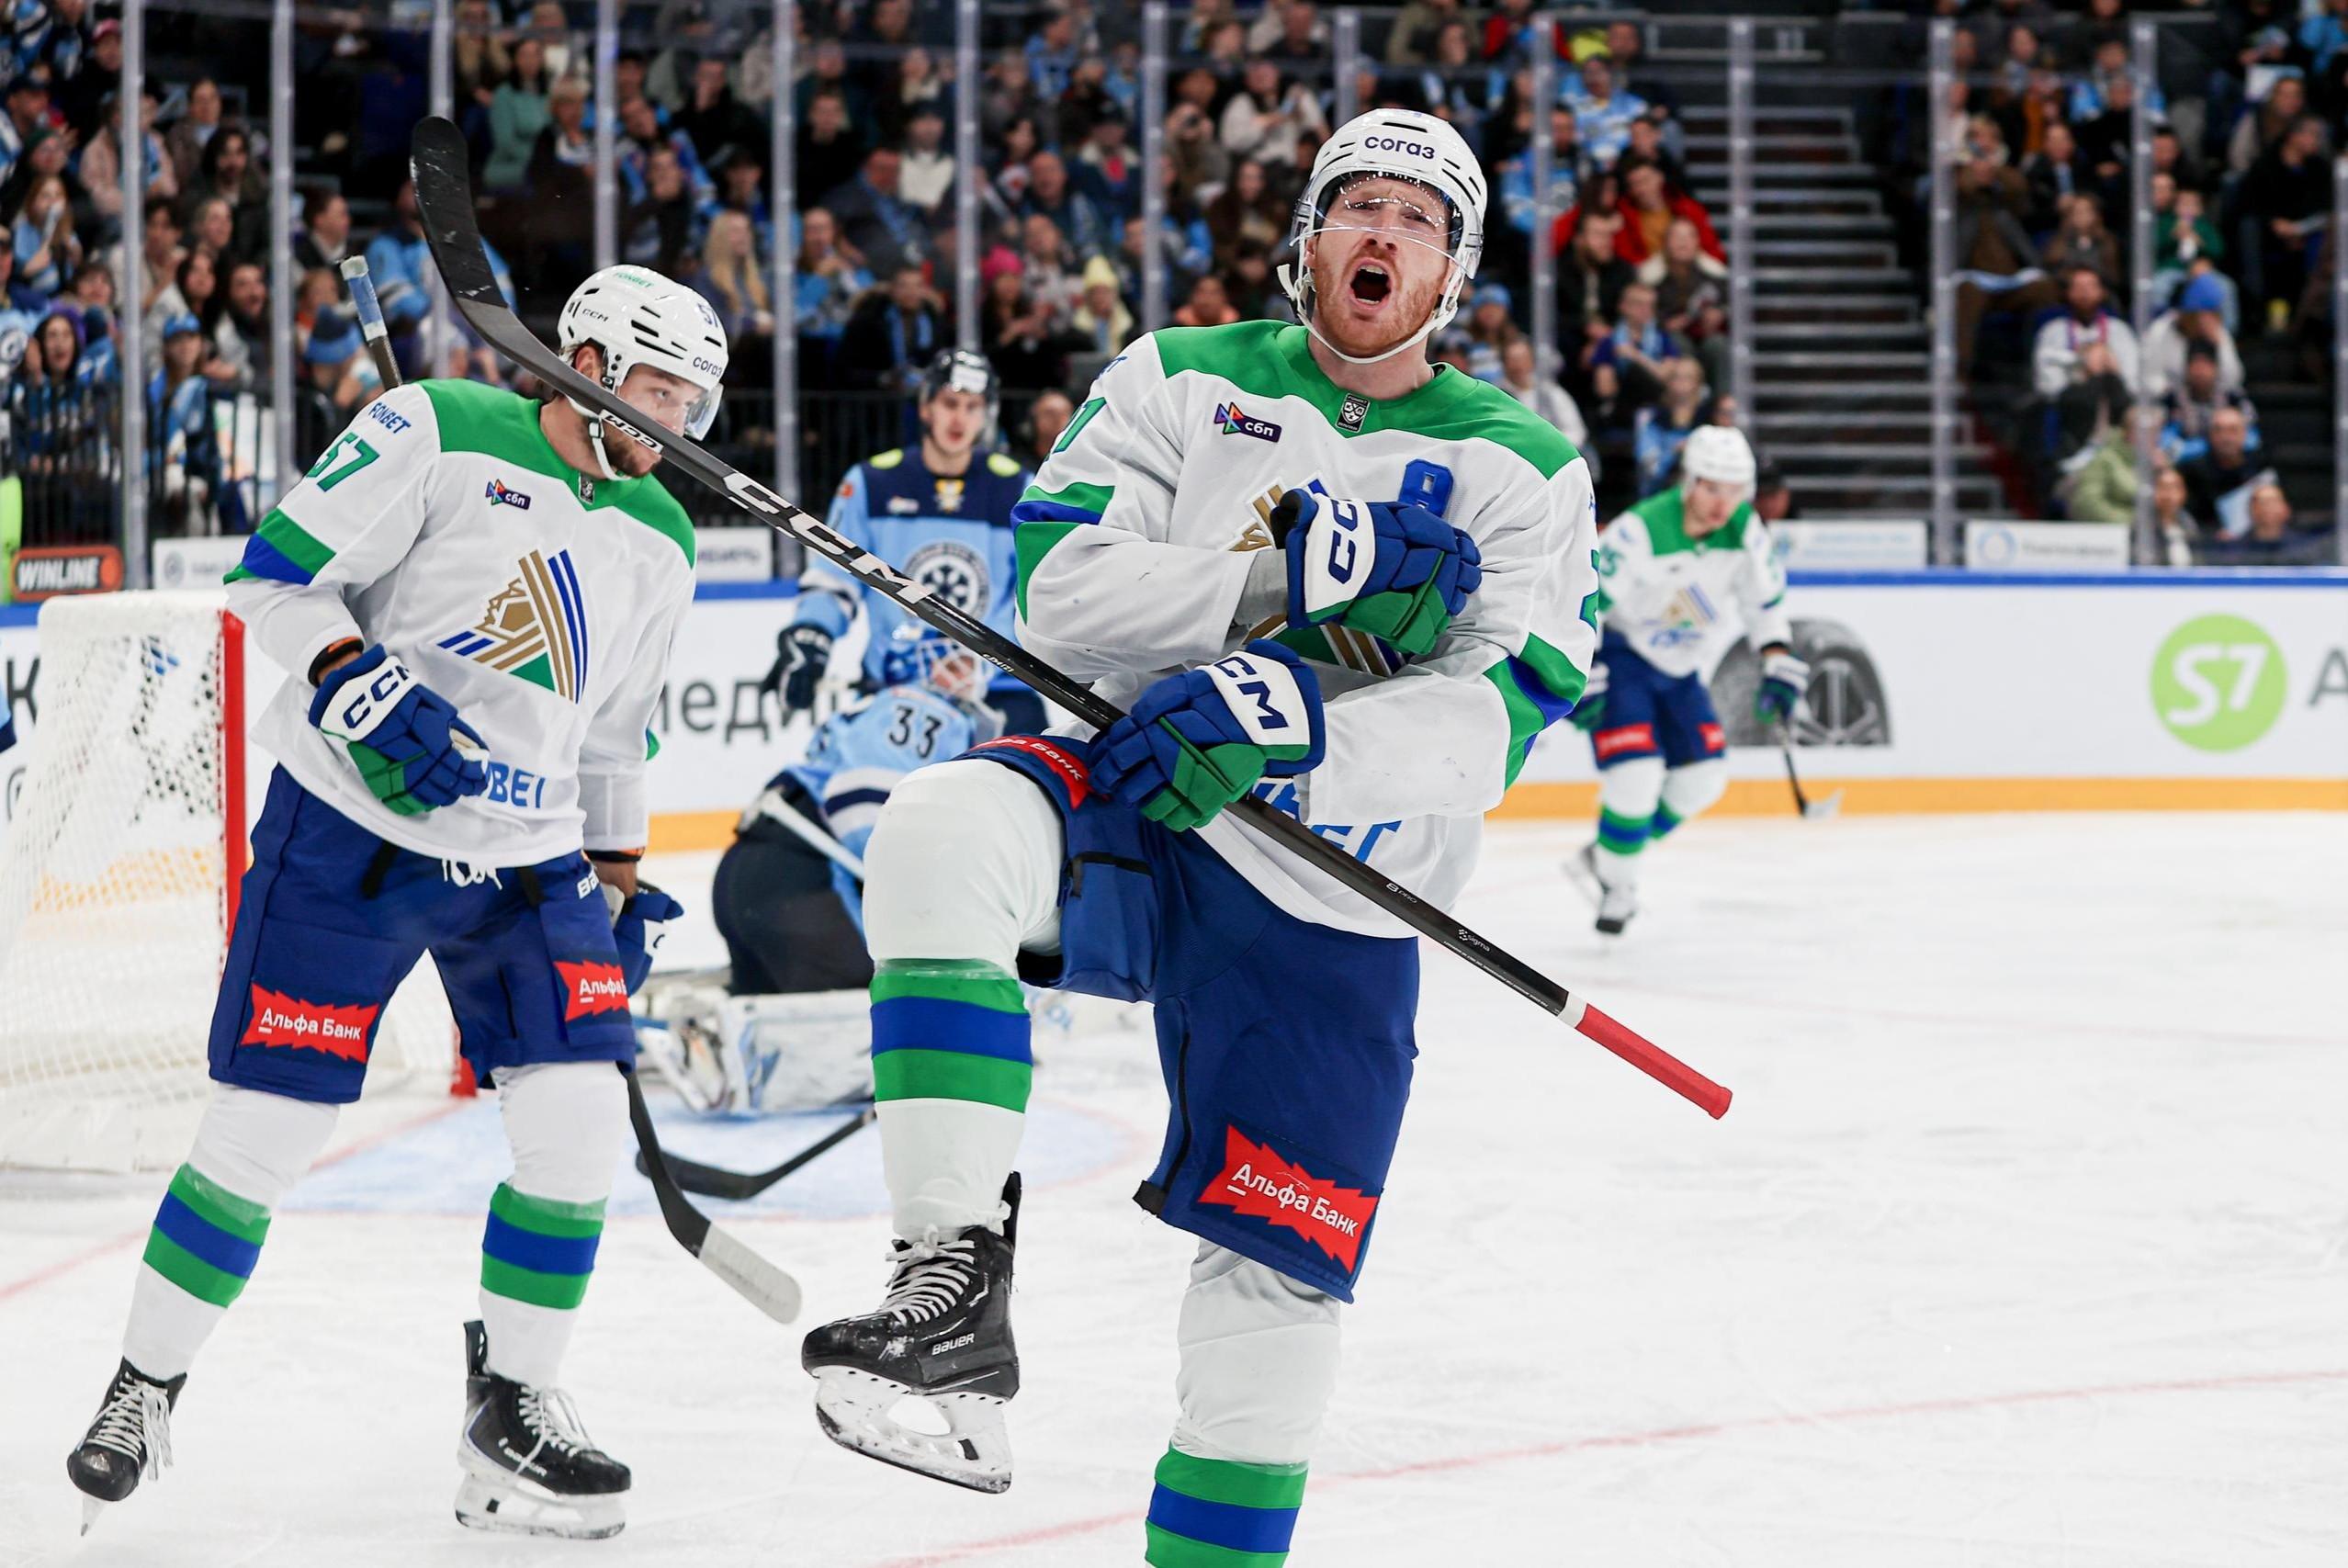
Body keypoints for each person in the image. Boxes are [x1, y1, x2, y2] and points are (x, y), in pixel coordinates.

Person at [797, 108, 1596, 1568]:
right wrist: (1272, 592)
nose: (1381, 232)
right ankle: (950, 1286)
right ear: (1308, 237)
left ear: (1454, 270)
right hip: (1144, 793)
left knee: (1272, 1301)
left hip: (1346, 894)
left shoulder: (1525, 463)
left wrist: (1287, 717)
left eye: (1418, 218)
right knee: (942, 827)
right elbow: (1057, 583)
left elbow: (1499, 719)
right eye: (1356, 203)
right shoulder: (1181, 373)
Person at [63, 265, 728, 1542]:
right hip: (350, 838)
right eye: (658, 391)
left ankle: (512, 1410)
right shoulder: (437, 425)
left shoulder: (663, 532)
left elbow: (614, 737)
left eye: (693, 403)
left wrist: (618, 881)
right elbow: (273, 578)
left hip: (529, 865)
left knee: (580, 1125)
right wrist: (355, 681)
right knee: (265, 1132)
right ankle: (145, 1383)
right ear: (586, 362)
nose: (675, 424)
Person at [1568, 425, 1796, 937]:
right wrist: (1583, 667)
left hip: (1681, 671)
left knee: (1703, 779)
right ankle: (1618, 885)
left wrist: (1777, 655)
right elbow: (1589, 597)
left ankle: (1610, 854)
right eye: (1712, 488)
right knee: (1636, 775)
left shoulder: (1745, 530)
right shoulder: (1641, 529)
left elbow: (1764, 601)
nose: (1723, 503)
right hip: (1623, 659)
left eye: (1735, 491)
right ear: (1690, 481)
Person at [765, 348, 1043, 732]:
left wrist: (982, 658)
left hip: (999, 690)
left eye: (972, 406)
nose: (959, 418)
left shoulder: (1016, 488)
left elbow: (1034, 594)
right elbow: (835, 576)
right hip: (896, 688)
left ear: (986, 414)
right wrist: (814, 633)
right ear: (926, 407)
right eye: (949, 403)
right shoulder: (873, 483)